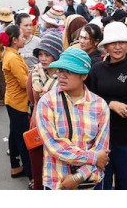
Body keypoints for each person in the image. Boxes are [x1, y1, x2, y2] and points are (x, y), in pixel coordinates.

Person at [36, 48, 110, 190]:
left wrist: (78, 176)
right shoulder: (47, 102)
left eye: (69, 71)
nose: (62, 76)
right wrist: (93, 157)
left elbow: (102, 148)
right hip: (58, 181)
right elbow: (54, 145)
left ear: (84, 75)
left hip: (90, 183)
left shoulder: (100, 105)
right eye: (60, 70)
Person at [87, 21, 127, 190]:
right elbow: (89, 100)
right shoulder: (97, 69)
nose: (117, 47)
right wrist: (111, 104)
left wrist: (102, 103)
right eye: (113, 43)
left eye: (122, 43)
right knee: (101, 186)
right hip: (101, 139)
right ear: (106, 46)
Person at [26, 33, 63, 190]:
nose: (43, 58)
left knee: (56, 169)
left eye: (47, 54)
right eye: (40, 54)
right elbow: (30, 98)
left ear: (56, 55)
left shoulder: (64, 75)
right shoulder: (34, 73)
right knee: (37, 165)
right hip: (36, 125)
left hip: (57, 127)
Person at [0, 25, 32, 182]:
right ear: (14, 40)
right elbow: (24, 82)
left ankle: (15, 166)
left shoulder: (12, 54)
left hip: (13, 101)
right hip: (18, 102)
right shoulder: (12, 58)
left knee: (14, 135)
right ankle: (31, 173)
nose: (24, 38)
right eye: (22, 37)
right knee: (23, 139)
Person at [0, 8, 14, 106]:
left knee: (3, 78)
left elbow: (2, 41)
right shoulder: (2, 25)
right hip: (0, 55)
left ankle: (5, 98)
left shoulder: (10, 29)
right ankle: (1, 94)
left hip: (5, 55)